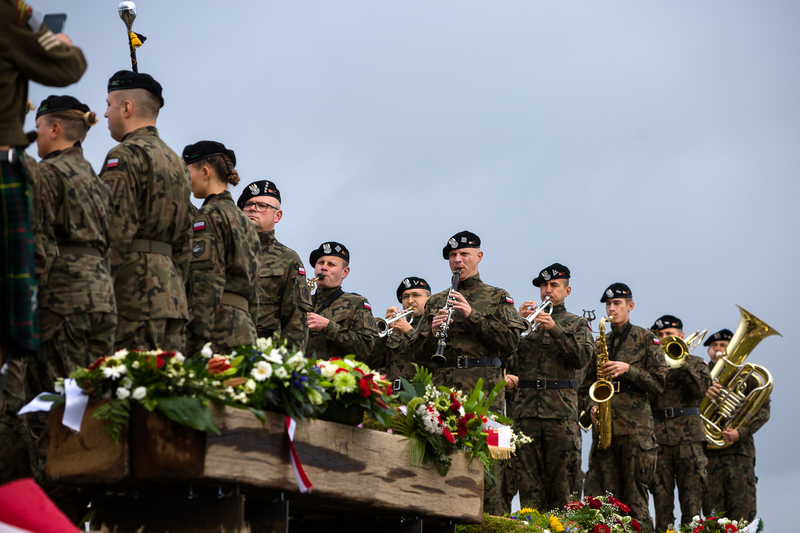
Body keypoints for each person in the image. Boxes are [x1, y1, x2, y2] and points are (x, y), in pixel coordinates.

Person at [0, 7, 86, 485]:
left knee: (45, 399)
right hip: (93, 301)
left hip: (62, 300)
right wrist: (52, 38)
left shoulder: (43, 174)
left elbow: (41, 246)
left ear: (52, 128)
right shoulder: (90, 175)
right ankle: (68, 485)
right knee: (75, 398)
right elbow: (68, 64)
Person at [412, 230, 525, 516]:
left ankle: (493, 524)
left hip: (489, 397)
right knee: (442, 460)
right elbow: (416, 354)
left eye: (464, 254)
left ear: (479, 256)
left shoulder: (498, 296)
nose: (457, 260)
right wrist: (432, 333)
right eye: (453, 256)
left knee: (494, 464)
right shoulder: (436, 301)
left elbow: (511, 342)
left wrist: (472, 315)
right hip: (445, 393)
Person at [100, 70, 193, 353]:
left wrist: (100, 292)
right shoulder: (177, 163)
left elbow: (114, 230)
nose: (105, 114)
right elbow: (186, 242)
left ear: (126, 108)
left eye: (109, 105)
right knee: (165, 376)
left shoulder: (125, 154)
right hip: (172, 295)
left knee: (129, 376)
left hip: (133, 293)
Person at [505, 263, 594, 512]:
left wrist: (555, 329)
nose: (547, 290)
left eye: (554, 285)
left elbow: (581, 359)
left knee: (563, 490)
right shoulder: (526, 324)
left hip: (560, 417)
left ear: (567, 291)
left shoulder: (577, 323)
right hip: (526, 415)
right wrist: (516, 323)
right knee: (529, 490)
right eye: (544, 286)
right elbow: (506, 359)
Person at [579, 283, 666, 533]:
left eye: (617, 304)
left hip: (635, 432)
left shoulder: (646, 338)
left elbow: (659, 383)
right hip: (604, 432)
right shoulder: (601, 342)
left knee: (635, 501)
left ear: (630, 306)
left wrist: (629, 370)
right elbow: (584, 387)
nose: (611, 309)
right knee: (601, 502)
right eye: (608, 305)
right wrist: (591, 405)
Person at [183, 141, 259, 356]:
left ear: (205, 172)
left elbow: (206, 281)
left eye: (188, 172)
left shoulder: (209, 215)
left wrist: (195, 339)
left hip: (215, 330)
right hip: (244, 330)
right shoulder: (244, 221)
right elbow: (255, 289)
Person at [648, 315, 712, 532]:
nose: (664, 338)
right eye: (660, 335)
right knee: (662, 508)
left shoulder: (696, 363)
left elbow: (701, 390)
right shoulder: (652, 365)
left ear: (681, 336)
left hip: (689, 440)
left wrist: (681, 363)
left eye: (669, 334)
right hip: (659, 440)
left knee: (692, 508)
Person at [702, 328, 769, 523]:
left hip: (739, 453)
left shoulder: (747, 375)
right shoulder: (700, 375)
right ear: (709, 350)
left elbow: (762, 411)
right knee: (713, 513)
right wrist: (703, 394)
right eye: (714, 346)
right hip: (709, 454)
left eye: (723, 345)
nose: (718, 349)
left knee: (743, 512)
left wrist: (741, 432)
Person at [237, 180, 312, 351]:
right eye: (248, 205)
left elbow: (295, 321)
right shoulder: (223, 248)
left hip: (263, 353)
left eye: (262, 205)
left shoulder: (288, 259)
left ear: (277, 216)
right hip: (218, 348)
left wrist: (289, 361)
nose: (253, 209)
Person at [305, 242, 379, 360]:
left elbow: (366, 348)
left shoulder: (357, 303)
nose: (324, 267)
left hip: (336, 370)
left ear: (345, 272)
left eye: (331, 264)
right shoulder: (302, 300)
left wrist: (328, 326)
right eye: (320, 263)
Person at [366, 276, 432, 385]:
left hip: (421, 392)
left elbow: (433, 361)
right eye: (405, 297)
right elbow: (372, 364)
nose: (410, 301)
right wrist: (383, 332)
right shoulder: (395, 330)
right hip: (393, 393)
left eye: (416, 295)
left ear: (429, 299)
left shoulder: (435, 327)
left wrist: (409, 332)